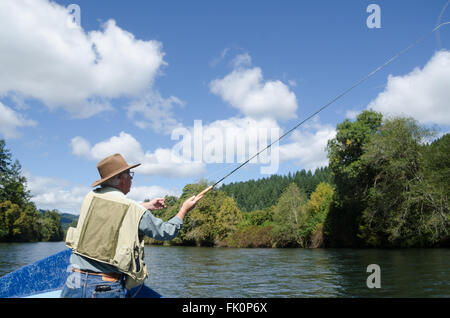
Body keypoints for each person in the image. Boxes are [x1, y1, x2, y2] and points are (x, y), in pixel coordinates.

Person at [61, 153, 207, 298]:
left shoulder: (91, 197)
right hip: (104, 287)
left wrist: (147, 205)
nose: (131, 178)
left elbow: (115, 208)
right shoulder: (133, 210)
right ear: (119, 179)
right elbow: (166, 232)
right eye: (129, 174)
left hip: (73, 280)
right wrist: (184, 210)